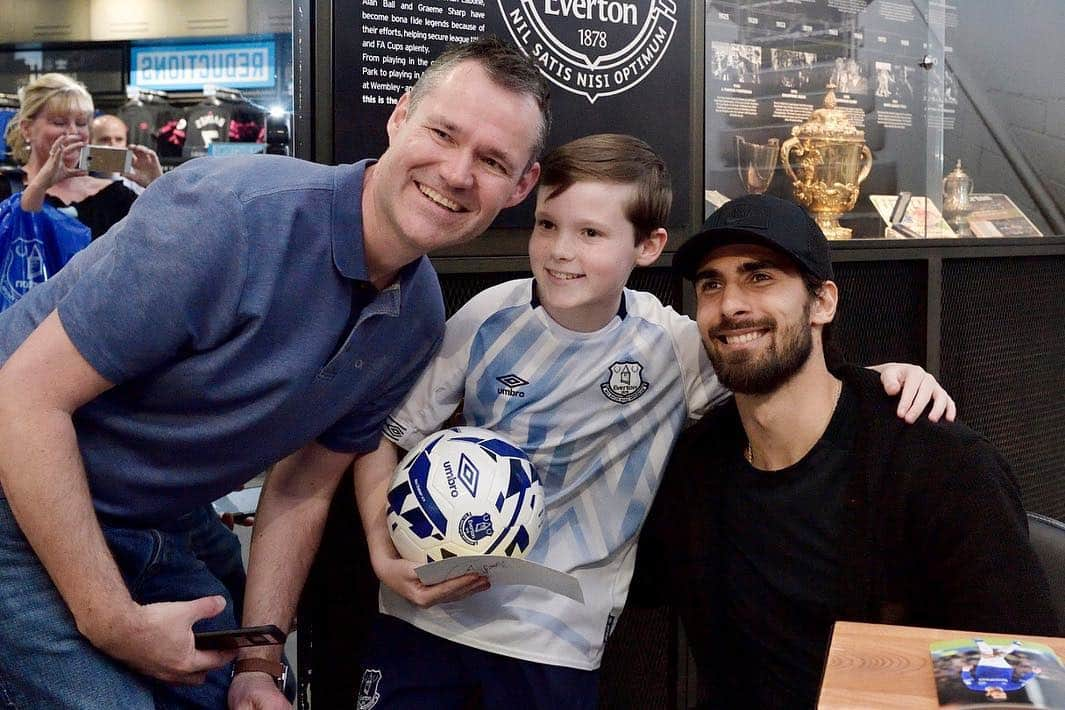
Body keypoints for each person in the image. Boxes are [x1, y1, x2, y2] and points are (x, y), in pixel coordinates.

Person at [0, 36, 549, 710]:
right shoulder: (230, 216)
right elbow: (21, 400)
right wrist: (111, 620)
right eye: (442, 132)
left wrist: (260, 666)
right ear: (400, 116)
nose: (458, 173)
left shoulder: (418, 315)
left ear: (522, 185)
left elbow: (303, 489)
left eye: (492, 160)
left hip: (151, 512)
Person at [352, 135, 956, 709]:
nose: (562, 250)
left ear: (646, 246)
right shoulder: (488, 317)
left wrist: (884, 375)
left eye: (591, 232)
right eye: (547, 225)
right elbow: (384, 436)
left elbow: (781, 364)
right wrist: (383, 552)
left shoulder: (675, 346)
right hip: (423, 609)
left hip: (555, 641)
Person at [635, 193, 1057, 709]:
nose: (731, 305)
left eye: (760, 276)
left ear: (823, 303)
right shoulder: (699, 464)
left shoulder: (936, 464)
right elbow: (630, 581)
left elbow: (1023, 681)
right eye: (711, 284)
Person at [2, 74, 162, 239]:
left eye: (81, 123)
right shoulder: (5, 188)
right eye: (59, 122)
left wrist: (160, 189)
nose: (73, 132)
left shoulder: (115, 197)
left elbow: (164, 245)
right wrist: (39, 186)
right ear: (27, 129)